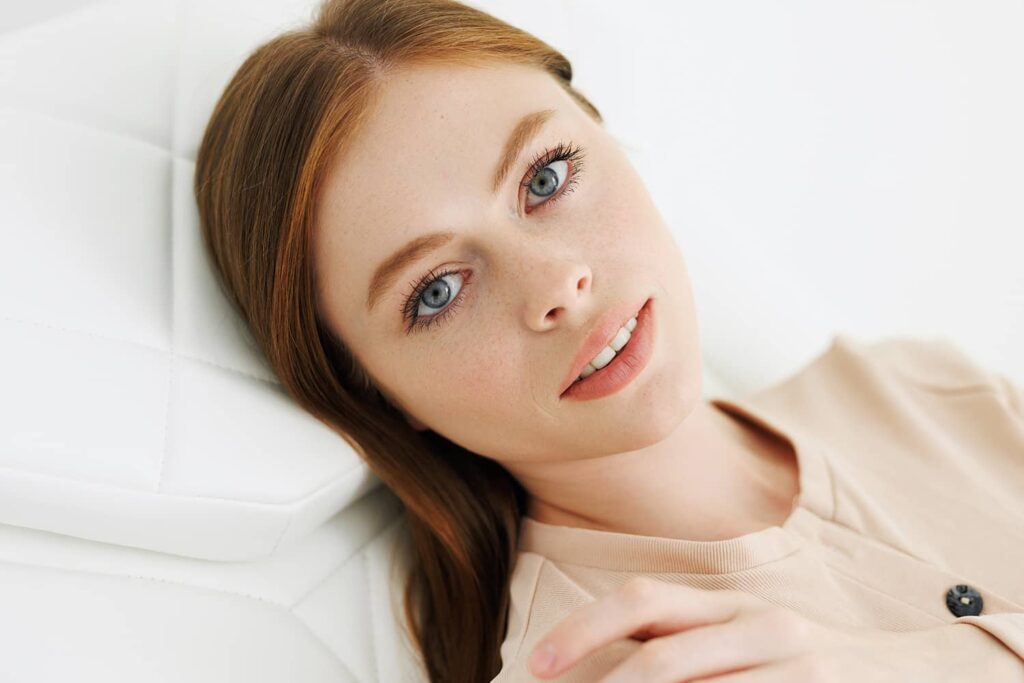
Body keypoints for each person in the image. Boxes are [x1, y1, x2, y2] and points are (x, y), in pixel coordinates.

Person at [193, 0, 1024, 681]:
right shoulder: (597, 667)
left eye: (546, 176)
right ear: (375, 394)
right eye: (437, 291)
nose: (556, 284)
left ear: (605, 133)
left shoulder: (919, 387)